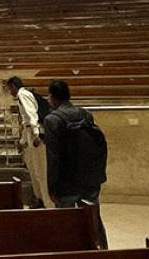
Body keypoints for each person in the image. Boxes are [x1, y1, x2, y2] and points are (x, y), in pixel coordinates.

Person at [42, 79, 108, 248]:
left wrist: (52, 187)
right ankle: (103, 252)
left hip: (66, 181)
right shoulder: (85, 114)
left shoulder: (52, 120)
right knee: (94, 221)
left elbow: (53, 156)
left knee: (66, 223)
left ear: (54, 97)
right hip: (89, 177)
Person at [4, 76, 52, 208]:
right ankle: (40, 199)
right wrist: (23, 141)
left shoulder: (23, 94)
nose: (10, 92)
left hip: (36, 135)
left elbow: (32, 116)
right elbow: (26, 124)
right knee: (35, 171)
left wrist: (36, 134)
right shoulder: (24, 95)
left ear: (14, 86)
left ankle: (47, 203)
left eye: (9, 89)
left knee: (41, 171)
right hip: (30, 134)